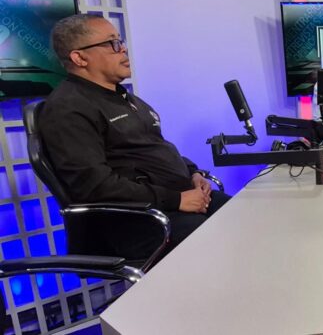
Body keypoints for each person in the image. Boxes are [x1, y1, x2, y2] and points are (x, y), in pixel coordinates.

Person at [39, 14, 231, 260]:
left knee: (251, 219)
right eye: (112, 44)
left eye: (121, 41)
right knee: (225, 245)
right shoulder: (68, 109)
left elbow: (155, 147)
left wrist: (193, 173)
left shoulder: (126, 99)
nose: (123, 50)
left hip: (179, 201)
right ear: (79, 57)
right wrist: (176, 200)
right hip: (141, 220)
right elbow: (94, 186)